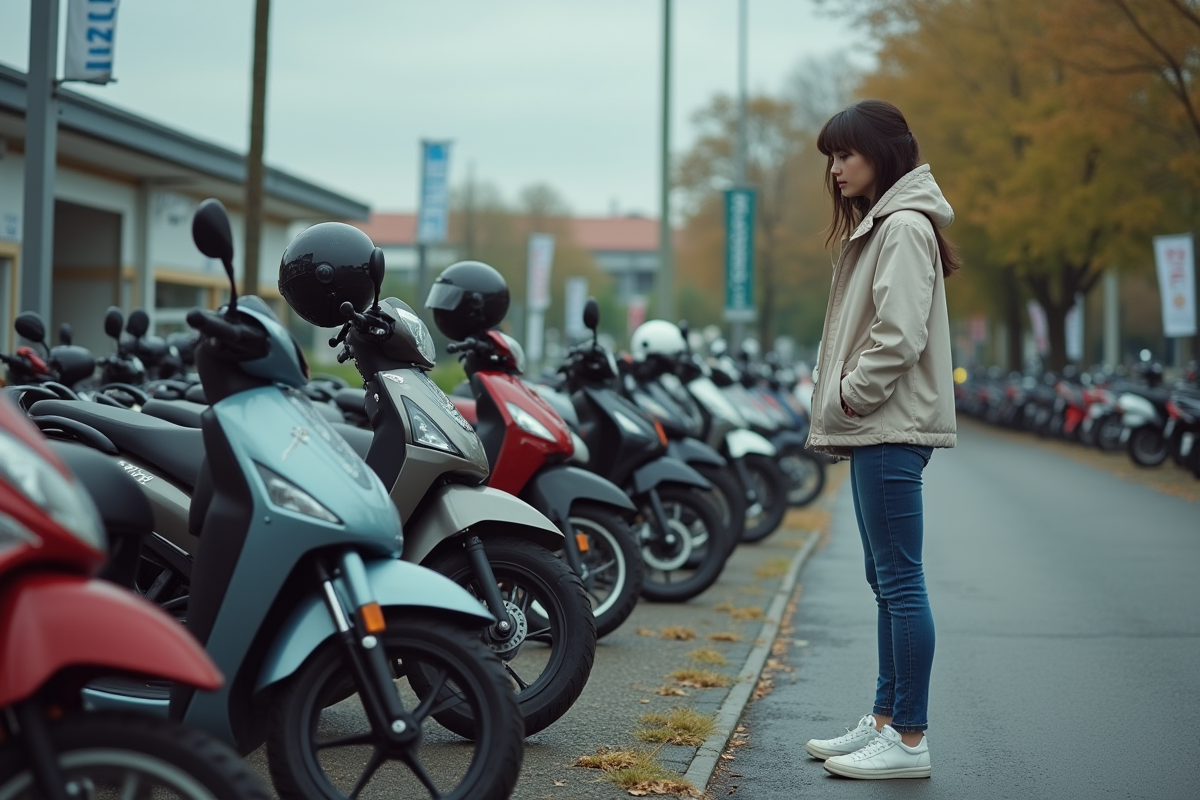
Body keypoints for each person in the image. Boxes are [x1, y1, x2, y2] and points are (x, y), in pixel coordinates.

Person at [803, 99, 959, 780]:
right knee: (886, 579)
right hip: (878, 426)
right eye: (831, 157)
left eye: (846, 154)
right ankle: (888, 719)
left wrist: (848, 394)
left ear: (883, 154)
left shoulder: (900, 226)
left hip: (887, 423)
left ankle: (910, 740)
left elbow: (897, 337)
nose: (835, 169)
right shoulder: (884, 223)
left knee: (900, 579)